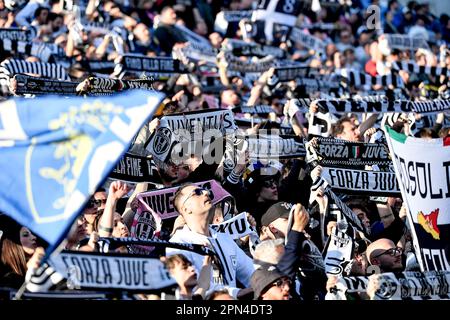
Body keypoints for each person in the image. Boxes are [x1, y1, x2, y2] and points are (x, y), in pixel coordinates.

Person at [167, 183, 255, 298]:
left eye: (205, 190)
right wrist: (237, 293)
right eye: (197, 193)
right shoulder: (177, 244)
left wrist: (269, 279)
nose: (206, 193)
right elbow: (195, 287)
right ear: (186, 209)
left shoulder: (224, 239)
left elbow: (251, 271)